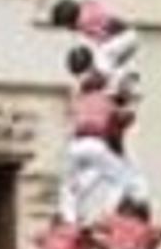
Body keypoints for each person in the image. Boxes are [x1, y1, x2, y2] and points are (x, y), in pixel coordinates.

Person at [60, 51, 149, 226]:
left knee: (74, 185)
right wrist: (129, 102)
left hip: (76, 145)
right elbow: (124, 118)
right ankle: (108, 215)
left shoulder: (80, 99)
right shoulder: (107, 102)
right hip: (96, 145)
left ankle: (70, 219)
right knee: (126, 180)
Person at [51, 0, 141, 106]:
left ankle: (111, 87)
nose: (68, 29)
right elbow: (90, 3)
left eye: (67, 25)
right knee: (114, 63)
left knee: (103, 54)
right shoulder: (86, 7)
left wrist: (95, 73)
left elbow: (101, 38)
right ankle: (123, 87)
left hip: (124, 37)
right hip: (129, 37)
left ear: (71, 18)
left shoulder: (84, 21)